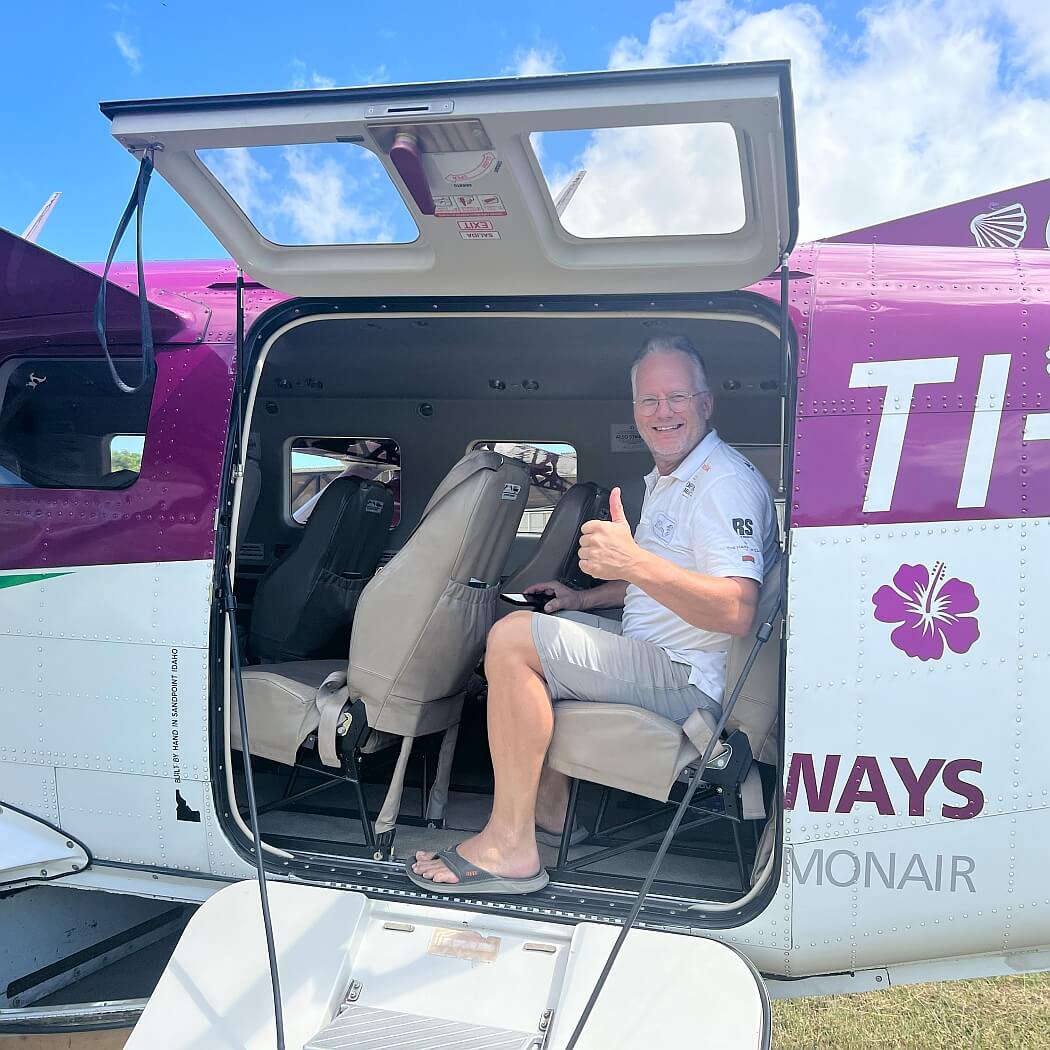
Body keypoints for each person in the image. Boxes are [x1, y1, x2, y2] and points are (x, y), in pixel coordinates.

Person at [408, 334, 780, 894]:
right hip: (664, 658)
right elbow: (669, 583)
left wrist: (631, 561)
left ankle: (510, 845)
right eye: (649, 401)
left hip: (689, 680)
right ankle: (553, 812)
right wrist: (584, 599)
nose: (663, 412)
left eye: (676, 397)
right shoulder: (674, 479)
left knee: (513, 641)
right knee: (542, 630)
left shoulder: (720, 486)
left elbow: (736, 608)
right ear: (635, 411)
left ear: (706, 403)